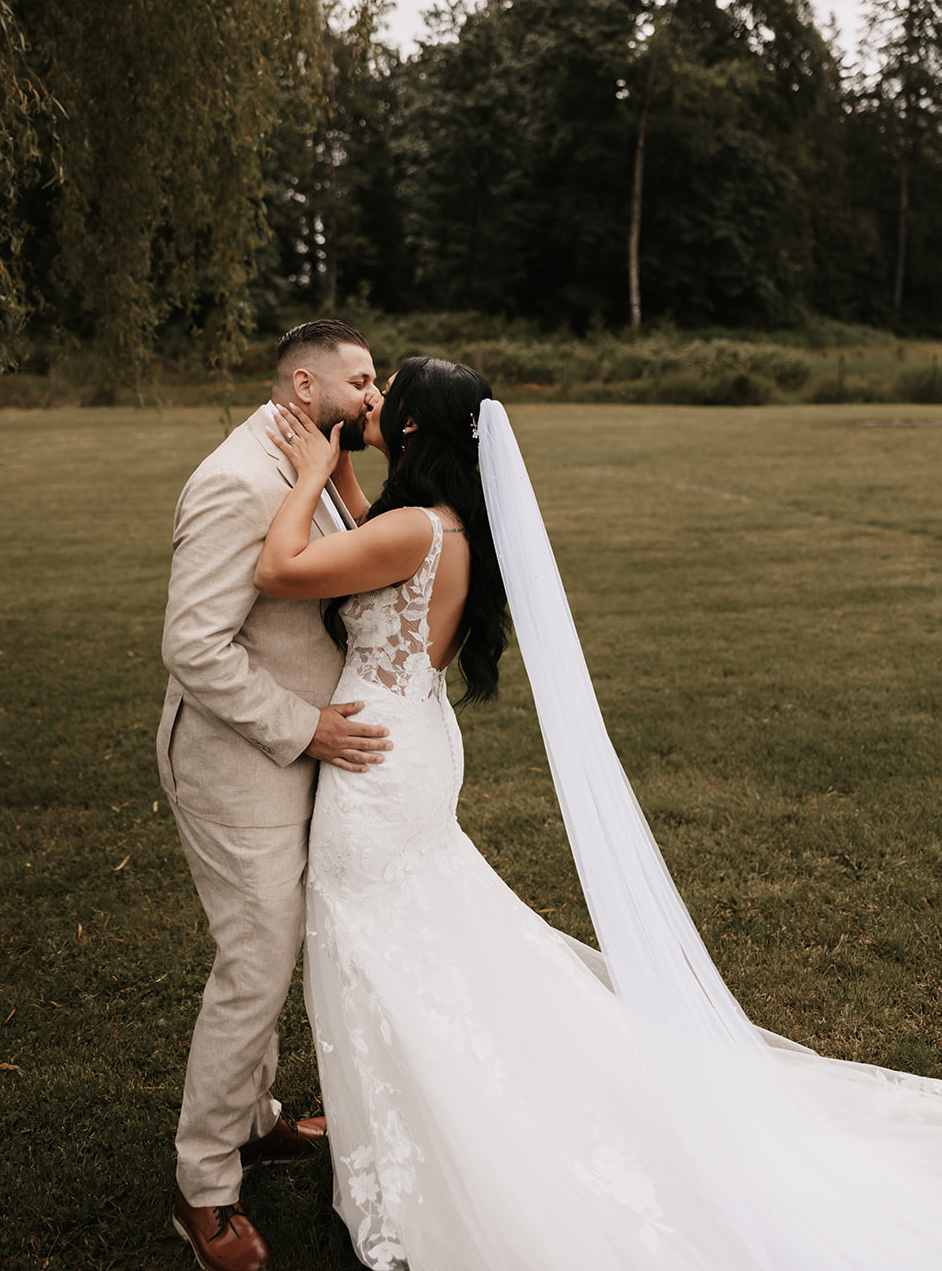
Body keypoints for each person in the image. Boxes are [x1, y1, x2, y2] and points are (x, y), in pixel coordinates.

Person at [256, 355, 942, 1271]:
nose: (369, 404)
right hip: (412, 742)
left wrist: (307, 475)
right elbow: (372, 553)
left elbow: (281, 567)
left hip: (375, 765)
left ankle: (435, 1131)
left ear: (414, 431)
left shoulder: (415, 528)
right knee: (424, 934)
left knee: (373, 941)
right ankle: (403, 1114)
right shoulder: (451, 525)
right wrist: (344, 468)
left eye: (388, 400)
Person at [157, 318, 394, 1271]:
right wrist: (306, 729)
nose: (375, 395)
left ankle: (252, 1120)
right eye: (363, 380)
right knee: (255, 964)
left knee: (275, 948)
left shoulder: (311, 457)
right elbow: (193, 646)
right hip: (235, 764)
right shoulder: (235, 479)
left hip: (291, 758)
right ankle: (201, 1184)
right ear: (305, 386)